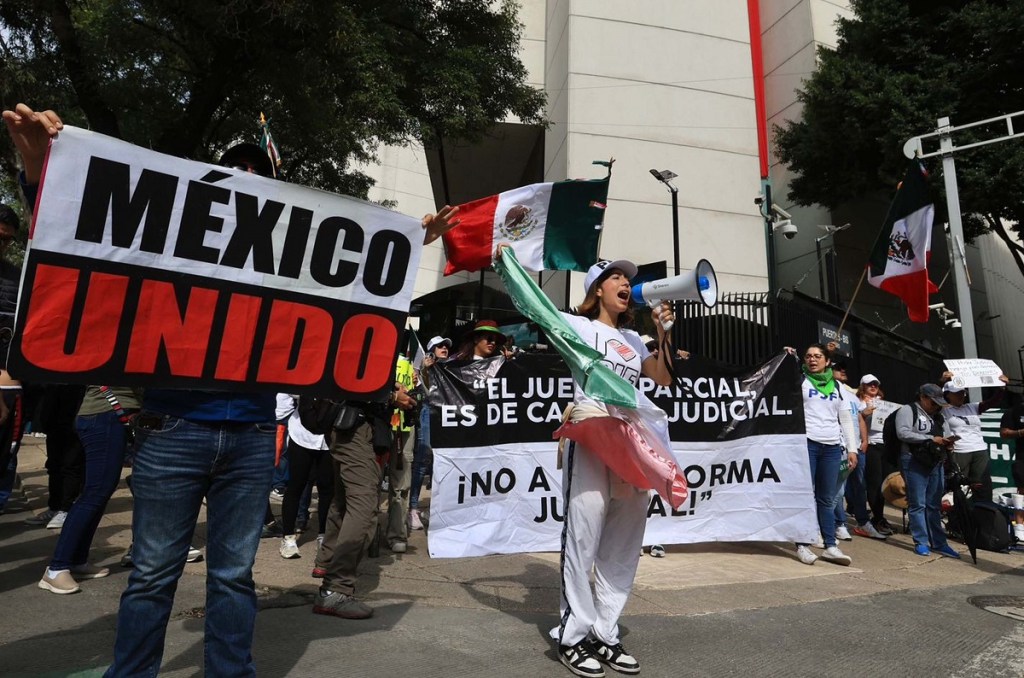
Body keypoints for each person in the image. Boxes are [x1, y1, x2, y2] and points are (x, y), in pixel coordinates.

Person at [541, 258, 676, 678]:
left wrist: (663, 335)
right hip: (591, 432)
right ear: (597, 288)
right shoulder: (578, 327)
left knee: (624, 538)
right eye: (615, 277)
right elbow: (536, 309)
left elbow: (663, 378)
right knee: (584, 533)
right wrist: (511, 259)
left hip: (630, 443)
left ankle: (604, 631)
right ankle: (574, 636)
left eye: (628, 279)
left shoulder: (635, 339)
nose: (626, 283)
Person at [38, 387, 142, 594]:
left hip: (110, 414)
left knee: (99, 492)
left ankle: (76, 560)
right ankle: (56, 569)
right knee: (94, 493)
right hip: (107, 414)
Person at [792, 344, 856, 567]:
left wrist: (852, 448)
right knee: (805, 496)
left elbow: (846, 419)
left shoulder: (838, 386)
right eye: (808, 356)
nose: (812, 360)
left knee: (827, 499)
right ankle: (802, 544)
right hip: (807, 444)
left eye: (818, 356)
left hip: (831, 447)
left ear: (828, 361)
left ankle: (830, 545)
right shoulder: (800, 380)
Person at [895, 384, 960, 558]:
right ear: (922, 397)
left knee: (933, 505)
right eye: (933, 402)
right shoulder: (908, 410)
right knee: (918, 504)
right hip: (914, 460)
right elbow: (902, 433)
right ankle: (921, 542)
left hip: (936, 462)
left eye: (938, 403)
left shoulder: (939, 417)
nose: (936, 406)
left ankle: (939, 543)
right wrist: (930, 439)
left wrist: (948, 443)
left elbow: (946, 433)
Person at [831, 361, 884, 541]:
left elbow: (860, 419)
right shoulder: (831, 394)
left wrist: (865, 440)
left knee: (859, 486)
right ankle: (839, 524)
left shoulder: (852, 397)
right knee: (839, 489)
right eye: (838, 369)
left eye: (844, 369)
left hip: (857, 448)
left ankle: (863, 522)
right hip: (840, 446)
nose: (843, 371)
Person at [276, 394, 333, 560]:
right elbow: (287, 391)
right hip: (301, 434)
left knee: (327, 488)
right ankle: (288, 537)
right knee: (295, 486)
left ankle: (324, 536)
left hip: (329, 435)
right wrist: (280, 415)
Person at [940, 372, 1009, 504]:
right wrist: (942, 382)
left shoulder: (972, 407)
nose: (961, 395)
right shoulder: (944, 410)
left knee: (980, 484)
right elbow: (935, 398)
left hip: (979, 449)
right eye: (956, 393)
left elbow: (991, 402)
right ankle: (958, 518)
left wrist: (1001, 388)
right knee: (960, 485)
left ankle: (981, 515)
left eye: (962, 392)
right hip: (960, 451)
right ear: (948, 394)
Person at [409, 335, 451, 530]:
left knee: (441, 460)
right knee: (423, 457)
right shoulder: (424, 369)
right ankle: (413, 508)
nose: (444, 348)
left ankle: (436, 507)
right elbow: (420, 388)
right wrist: (425, 368)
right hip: (429, 412)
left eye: (446, 346)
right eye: (439, 346)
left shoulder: (452, 368)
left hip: (447, 415)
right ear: (431, 351)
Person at [856, 374, 896, 536]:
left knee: (885, 483)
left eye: (876, 385)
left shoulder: (885, 404)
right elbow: (855, 422)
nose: (873, 387)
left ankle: (880, 517)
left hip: (885, 445)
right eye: (869, 384)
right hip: (871, 445)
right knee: (874, 483)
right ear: (862, 386)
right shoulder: (858, 403)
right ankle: (877, 518)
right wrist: (864, 413)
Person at [385, 353, 417, 553]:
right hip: (378, 424)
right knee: (368, 482)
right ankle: (364, 533)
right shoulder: (378, 351)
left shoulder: (410, 361)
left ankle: (397, 533)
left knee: (402, 482)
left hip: (404, 427)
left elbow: (421, 395)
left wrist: (422, 378)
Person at [999, 393, 1024, 540]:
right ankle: (1020, 526)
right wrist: (1021, 432)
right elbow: (1004, 433)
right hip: (1022, 456)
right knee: (1022, 490)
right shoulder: (1015, 411)